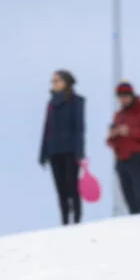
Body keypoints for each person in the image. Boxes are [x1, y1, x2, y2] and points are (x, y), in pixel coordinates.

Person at [39, 70, 86, 225]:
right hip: (54, 150)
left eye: (57, 80)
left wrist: (80, 151)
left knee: (72, 185)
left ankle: (77, 219)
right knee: (60, 189)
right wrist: (43, 152)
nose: (54, 83)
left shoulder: (77, 101)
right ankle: (65, 221)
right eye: (52, 81)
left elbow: (79, 128)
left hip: (71, 150)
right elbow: (46, 128)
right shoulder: (51, 103)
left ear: (66, 82)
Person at [106, 81, 140, 214]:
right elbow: (110, 142)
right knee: (128, 195)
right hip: (121, 157)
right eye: (120, 97)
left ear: (132, 95)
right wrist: (113, 135)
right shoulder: (119, 115)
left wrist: (130, 131)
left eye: (125, 96)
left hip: (138, 155)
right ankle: (135, 220)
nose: (122, 99)